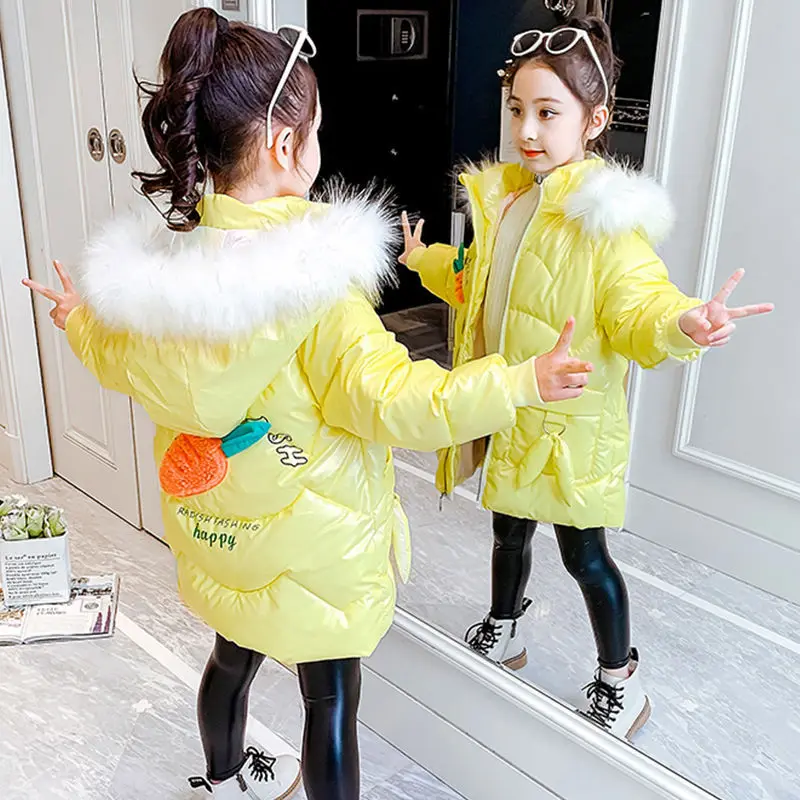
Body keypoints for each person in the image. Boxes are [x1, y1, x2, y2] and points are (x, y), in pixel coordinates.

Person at [24, 9, 593, 799]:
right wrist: (521, 382)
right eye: (315, 130)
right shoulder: (313, 286)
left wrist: (76, 319)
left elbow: (117, 354)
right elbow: (398, 400)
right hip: (315, 554)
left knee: (231, 659)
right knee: (330, 701)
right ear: (285, 145)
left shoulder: (168, 272)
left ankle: (224, 779)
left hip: (220, 535)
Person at [398, 15, 773, 741]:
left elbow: (640, 305)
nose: (526, 130)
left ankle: (619, 679)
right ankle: (506, 626)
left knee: (585, 555)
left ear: (594, 121)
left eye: (548, 113)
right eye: (517, 109)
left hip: (571, 429)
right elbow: (479, 283)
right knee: (508, 531)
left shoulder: (605, 223)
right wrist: (424, 262)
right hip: (515, 410)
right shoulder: (508, 199)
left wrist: (685, 322)